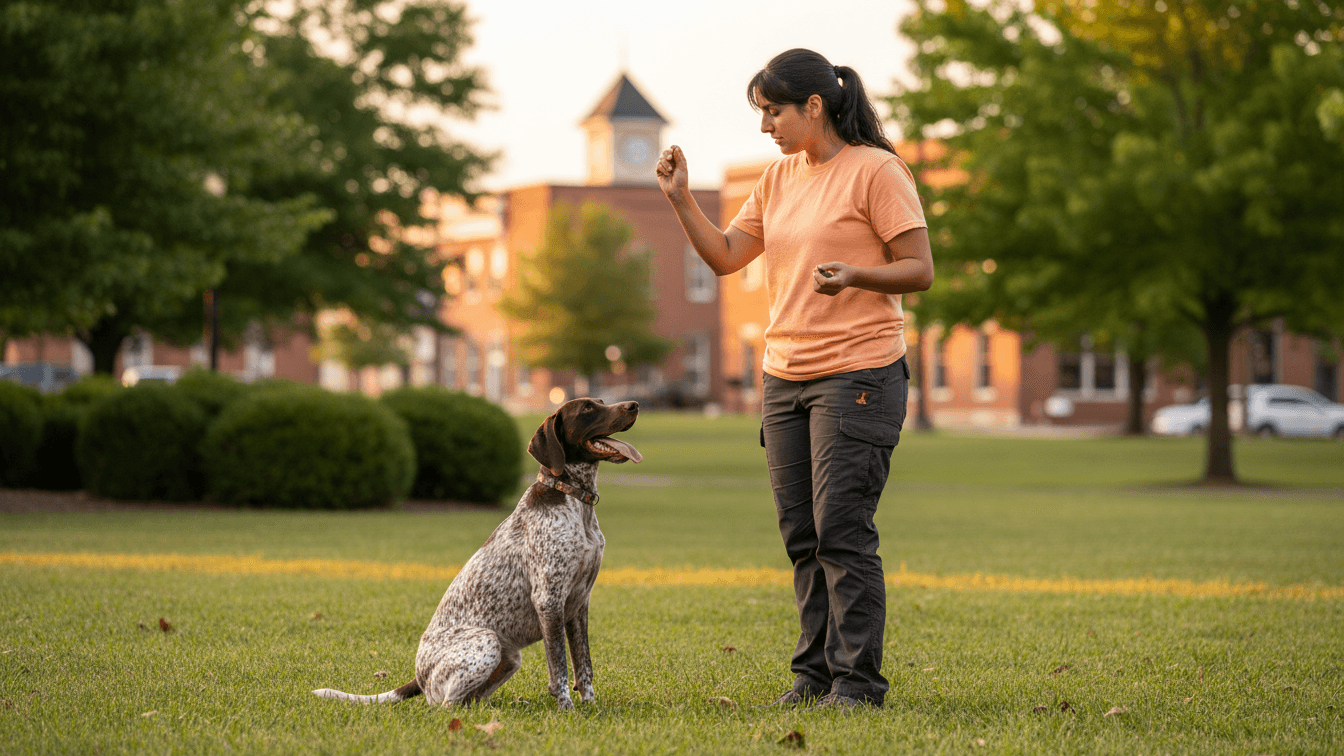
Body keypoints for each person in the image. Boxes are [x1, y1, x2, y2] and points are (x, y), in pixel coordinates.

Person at [656, 48, 933, 709]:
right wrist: (680, 201)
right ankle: (813, 677)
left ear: (815, 106)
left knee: (841, 527)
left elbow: (919, 268)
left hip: (858, 372)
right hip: (785, 378)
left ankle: (858, 684)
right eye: (760, 114)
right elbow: (726, 256)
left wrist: (857, 273)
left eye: (772, 112)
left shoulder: (876, 171)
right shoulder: (778, 179)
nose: (765, 127)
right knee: (802, 534)